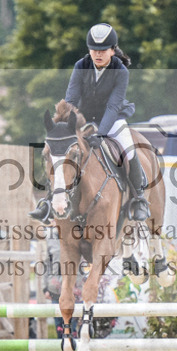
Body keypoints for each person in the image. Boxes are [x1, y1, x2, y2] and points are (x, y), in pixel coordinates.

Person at [30, 23, 149, 223]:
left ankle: (139, 198)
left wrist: (100, 134)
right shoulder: (80, 66)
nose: (98, 54)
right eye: (94, 50)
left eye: (103, 51)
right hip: (83, 119)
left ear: (112, 50)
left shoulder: (120, 71)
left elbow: (112, 106)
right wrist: (64, 125)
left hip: (112, 120)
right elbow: (72, 100)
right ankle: (50, 200)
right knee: (57, 151)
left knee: (128, 148)